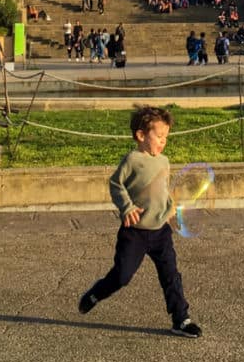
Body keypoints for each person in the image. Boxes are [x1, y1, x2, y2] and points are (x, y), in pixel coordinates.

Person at [78, 106, 202, 338]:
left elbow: (161, 189)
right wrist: (127, 207)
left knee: (171, 275)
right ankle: (96, 293)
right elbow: (116, 184)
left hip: (160, 231)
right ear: (141, 135)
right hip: (134, 232)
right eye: (159, 136)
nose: (164, 141)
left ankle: (181, 319)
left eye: (166, 137)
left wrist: (170, 208)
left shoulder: (164, 161)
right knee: (122, 276)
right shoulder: (132, 160)